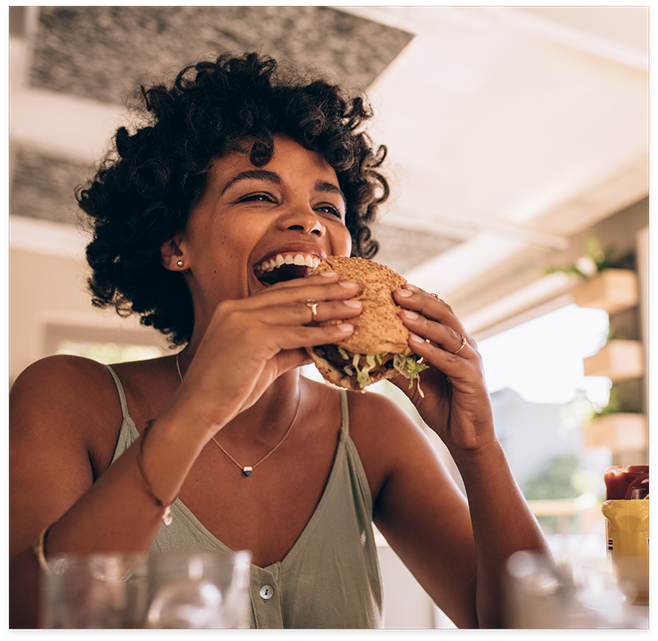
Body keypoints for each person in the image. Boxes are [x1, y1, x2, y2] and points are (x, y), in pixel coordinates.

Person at [9, 52, 550, 629]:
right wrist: (196, 414)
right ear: (174, 246)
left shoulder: (374, 433)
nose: (309, 222)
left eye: (327, 206)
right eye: (258, 196)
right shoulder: (67, 397)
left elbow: (532, 624)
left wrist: (477, 448)